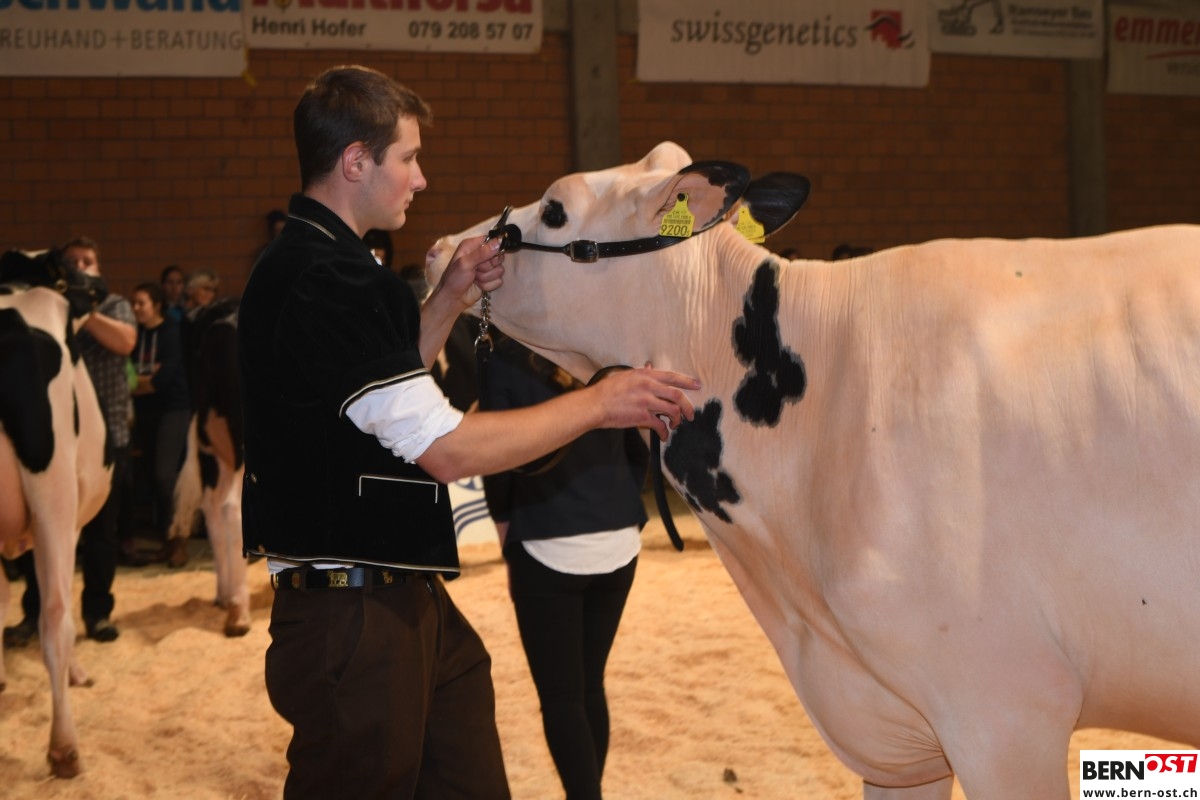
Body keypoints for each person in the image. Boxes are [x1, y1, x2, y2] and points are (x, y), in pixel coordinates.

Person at [238, 64, 697, 800]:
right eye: (408, 157)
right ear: (355, 161)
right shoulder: (324, 277)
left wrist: (449, 298)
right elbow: (446, 450)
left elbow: (377, 398)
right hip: (349, 612)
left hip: (404, 596)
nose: (420, 179)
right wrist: (600, 404)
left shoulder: (333, 266)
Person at [481, 330, 649, 800]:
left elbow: (495, 456)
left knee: (562, 696)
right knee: (589, 685)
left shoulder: (503, 354)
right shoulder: (606, 345)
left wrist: (504, 529)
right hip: (618, 539)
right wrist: (619, 502)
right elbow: (639, 447)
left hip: (545, 538)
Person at [3, 236, 136, 646]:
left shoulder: (112, 304)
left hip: (105, 438)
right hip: (48, 438)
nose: (80, 266)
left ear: (98, 267)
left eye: (87, 261)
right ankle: (34, 614)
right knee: (42, 531)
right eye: (72, 261)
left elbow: (126, 341)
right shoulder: (38, 308)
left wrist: (81, 307)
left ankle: (97, 614)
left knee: (100, 535)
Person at [130, 281, 192, 567]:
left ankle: (180, 540)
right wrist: (144, 381)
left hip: (173, 408)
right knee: (154, 479)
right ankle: (167, 539)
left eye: (141, 303)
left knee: (166, 475)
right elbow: (128, 377)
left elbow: (161, 381)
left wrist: (142, 383)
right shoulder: (135, 334)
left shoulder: (171, 331)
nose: (135, 308)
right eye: (134, 303)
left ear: (156, 305)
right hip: (146, 412)